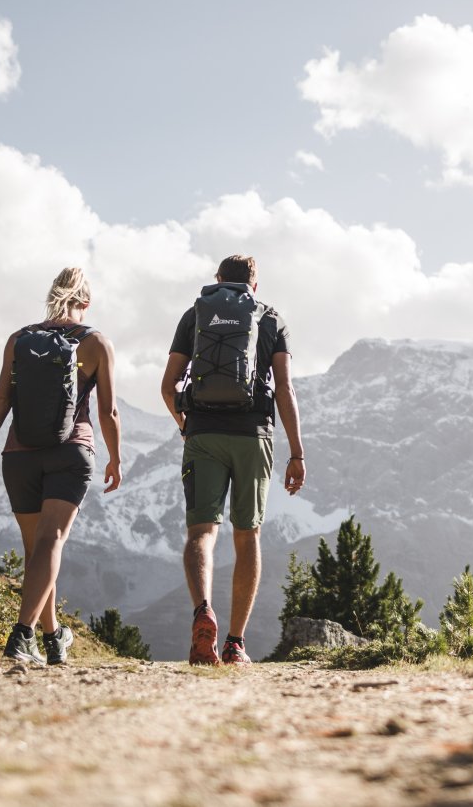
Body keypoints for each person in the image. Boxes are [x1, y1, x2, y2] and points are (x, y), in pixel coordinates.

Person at [0, 267, 124, 665]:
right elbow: (109, 410)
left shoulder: (19, 340)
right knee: (51, 542)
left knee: (37, 549)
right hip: (70, 451)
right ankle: (22, 635)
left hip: (18, 455)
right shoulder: (95, 343)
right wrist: (116, 457)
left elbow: (1, 399)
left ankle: (52, 638)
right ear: (85, 303)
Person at [160, 254, 304, 665]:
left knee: (201, 533)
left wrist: (184, 423)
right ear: (253, 285)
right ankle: (235, 644)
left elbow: (168, 385)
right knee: (247, 536)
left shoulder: (196, 315)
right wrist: (296, 452)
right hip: (253, 433)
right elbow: (285, 390)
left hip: (204, 431)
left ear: (218, 280)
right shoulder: (270, 319)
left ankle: (203, 612)